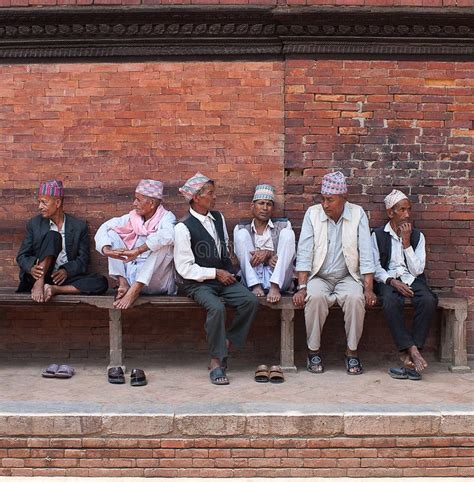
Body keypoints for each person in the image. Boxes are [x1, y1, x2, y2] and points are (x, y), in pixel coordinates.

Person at [174, 172, 259, 385]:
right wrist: (214, 273)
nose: (214, 198)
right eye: (211, 194)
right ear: (196, 197)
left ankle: (227, 341)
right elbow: (184, 268)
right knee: (217, 308)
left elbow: (224, 248)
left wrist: (228, 270)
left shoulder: (218, 218)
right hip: (197, 283)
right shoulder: (182, 227)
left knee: (250, 301)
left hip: (222, 278)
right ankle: (216, 361)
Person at [293, 171, 376, 375]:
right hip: (319, 276)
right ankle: (313, 352)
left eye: (330, 200)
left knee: (356, 299)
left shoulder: (357, 214)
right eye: (323, 199)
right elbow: (304, 252)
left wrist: (368, 289)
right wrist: (302, 287)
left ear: (343, 198)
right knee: (314, 298)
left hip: (348, 276)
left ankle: (352, 353)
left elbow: (366, 253)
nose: (325, 204)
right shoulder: (312, 214)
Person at [372, 189, 437, 380]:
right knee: (391, 302)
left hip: (411, 279)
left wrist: (407, 243)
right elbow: (375, 268)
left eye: (409, 209)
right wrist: (392, 282)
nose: (407, 214)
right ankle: (414, 351)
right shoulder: (377, 235)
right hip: (387, 279)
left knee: (427, 300)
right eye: (402, 210)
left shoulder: (418, 236)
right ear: (390, 212)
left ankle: (408, 354)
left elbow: (418, 270)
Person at [16, 180, 108, 302]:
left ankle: (54, 289)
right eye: (39, 202)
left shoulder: (79, 226)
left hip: (61, 279)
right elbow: (22, 256)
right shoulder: (34, 224)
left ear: (57, 202)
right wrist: (32, 268)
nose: (40, 207)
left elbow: (83, 259)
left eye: (44, 202)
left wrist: (66, 271)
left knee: (101, 282)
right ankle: (40, 282)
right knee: (53, 236)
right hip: (37, 277)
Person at [95, 179, 176, 309]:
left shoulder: (167, 218)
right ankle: (123, 283)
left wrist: (138, 250)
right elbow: (105, 227)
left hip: (156, 281)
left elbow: (169, 235)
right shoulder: (133, 218)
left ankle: (134, 291)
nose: (134, 203)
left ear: (151, 203)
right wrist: (107, 251)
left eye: (138, 200)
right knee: (111, 234)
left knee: (165, 245)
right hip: (132, 275)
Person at [234, 184, 295, 303]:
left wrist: (268, 254)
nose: (265, 208)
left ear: (273, 208)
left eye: (269, 204)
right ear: (252, 206)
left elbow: (289, 255)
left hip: (279, 277)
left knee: (288, 234)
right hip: (253, 277)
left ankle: (274, 286)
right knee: (241, 235)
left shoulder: (284, 226)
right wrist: (266, 258)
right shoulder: (241, 228)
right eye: (261, 203)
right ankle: (255, 285)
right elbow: (242, 258)